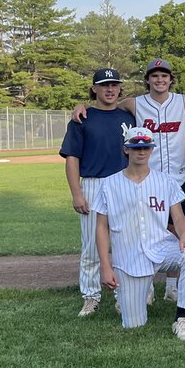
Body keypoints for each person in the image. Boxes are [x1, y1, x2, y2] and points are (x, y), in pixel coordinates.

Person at [68, 58, 185, 302]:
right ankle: (108, 293)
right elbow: (103, 109)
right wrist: (81, 105)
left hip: (167, 179)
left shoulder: (183, 102)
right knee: (124, 237)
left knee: (165, 234)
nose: (160, 79)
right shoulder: (132, 105)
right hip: (130, 181)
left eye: (164, 75)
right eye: (154, 75)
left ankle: (164, 288)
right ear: (147, 79)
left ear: (171, 79)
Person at [95, 125, 185, 341]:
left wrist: (184, 236)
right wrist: (106, 267)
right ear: (126, 149)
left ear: (152, 149)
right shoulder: (109, 184)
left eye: (146, 147)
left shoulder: (165, 181)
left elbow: (178, 216)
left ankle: (181, 319)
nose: (141, 151)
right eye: (136, 147)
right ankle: (128, 296)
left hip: (161, 248)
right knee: (134, 324)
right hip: (129, 258)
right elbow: (100, 227)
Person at [60, 68, 133, 317]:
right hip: (93, 183)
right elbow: (72, 158)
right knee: (91, 244)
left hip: (124, 183)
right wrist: (76, 193)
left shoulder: (128, 117)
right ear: (94, 89)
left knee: (126, 243)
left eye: (114, 84)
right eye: (104, 85)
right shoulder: (82, 117)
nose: (110, 89)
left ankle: (124, 294)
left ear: (120, 88)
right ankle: (91, 296)